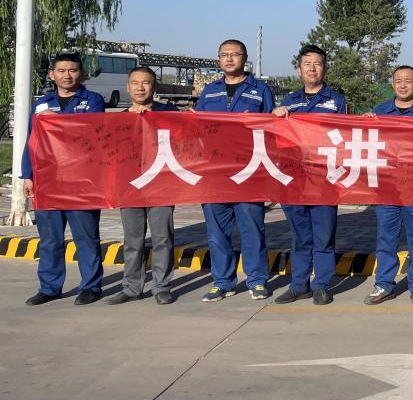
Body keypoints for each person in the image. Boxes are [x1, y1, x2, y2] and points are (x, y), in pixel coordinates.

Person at [22, 52, 108, 306]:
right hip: (47, 180)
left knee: (86, 237)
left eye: (72, 70)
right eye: (61, 71)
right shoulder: (41, 104)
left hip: (82, 181)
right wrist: (28, 175)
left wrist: (57, 121)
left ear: (81, 73)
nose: (67, 75)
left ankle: (91, 287)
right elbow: (32, 142)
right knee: (50, 239)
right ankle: (49, 287)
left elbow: (90, 132)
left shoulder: (92, 100)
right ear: (52, 74)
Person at [195, 39, 276, 302]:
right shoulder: (210, 92)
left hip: (248, 172)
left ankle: (257, 281)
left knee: (252, 230)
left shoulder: (260, 90)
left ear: (245, 58)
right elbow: (197, 129)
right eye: (224, 55)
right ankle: (223, 282)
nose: (229, 59)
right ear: (219, 59)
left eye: (234, 54)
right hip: (215, 174)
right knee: (217, 233)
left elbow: (273, 130)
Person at [271, 45, 346, 306]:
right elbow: (277, 139)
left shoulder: (336, 101)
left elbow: (344, 136)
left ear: (325, 68)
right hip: (295, 180)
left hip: (324, 179)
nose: (312, 68)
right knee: (300, 235)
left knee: (323, 236)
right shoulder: (289, 101)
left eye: (317, 64)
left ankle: (322, 285)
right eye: (307, 64)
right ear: (299, 70)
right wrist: (275, 116)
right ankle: (298, 285)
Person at [106, 66, 180, 305]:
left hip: (161, 185)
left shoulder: (169, 112)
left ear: (154, 87)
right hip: (130, 187)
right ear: (128, 88)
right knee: (133, 239)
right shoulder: (117, 119)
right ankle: (131, 287)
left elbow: (186, 140)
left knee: (162, 238)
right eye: (135, 83)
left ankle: (162, 286)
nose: (140, 88)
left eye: (146, 83)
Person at [365, 65, 413, 306]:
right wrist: (363, 123)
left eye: (408, 80)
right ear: (392, 84)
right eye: (399, 80)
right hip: (387, 187)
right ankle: (384, 284)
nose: (403, 85)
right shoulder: (380, 112)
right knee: (386, 238)